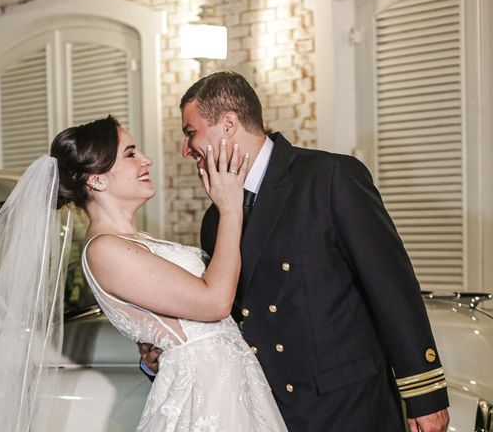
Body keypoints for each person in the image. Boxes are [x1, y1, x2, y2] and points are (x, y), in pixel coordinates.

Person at [141, 71, 450, 432]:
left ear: (227, 124)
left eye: (190, 132)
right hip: (267, 408)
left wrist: (425, 394)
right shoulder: (216, 218)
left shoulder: (330, 178)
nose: (185, 149)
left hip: (347, 404)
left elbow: (392, 289)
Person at [51, 116, 288, 431]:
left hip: (226, 384)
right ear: (97, 179)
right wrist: (231, 208)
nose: (146, 160)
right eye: (131, 153)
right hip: (206, 394)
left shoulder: (134, 241)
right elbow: (215, 302)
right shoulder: (103, 249)